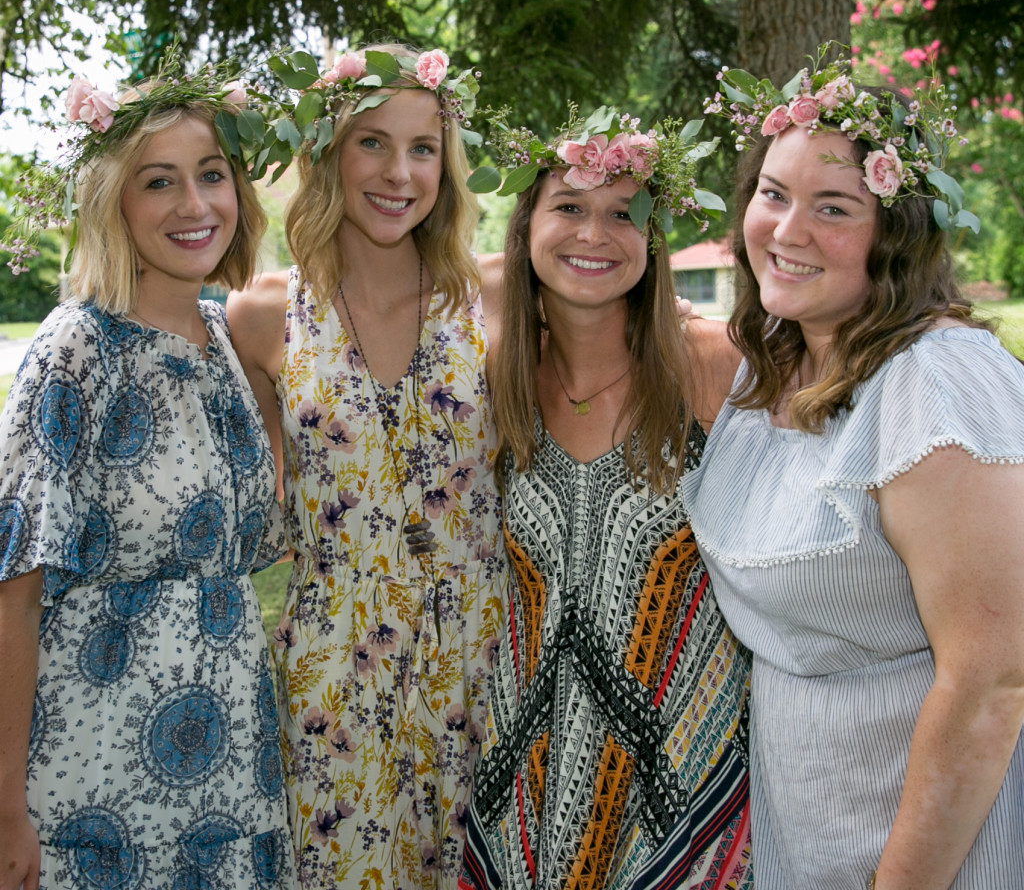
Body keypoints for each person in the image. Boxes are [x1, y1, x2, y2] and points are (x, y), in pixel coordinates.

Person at [685, 54, 1024, 888]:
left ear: (896, 233)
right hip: (807, 824)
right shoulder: (768, 366)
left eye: (833, 207)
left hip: (928, 849)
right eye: (773, 193)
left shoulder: (934, 385)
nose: (788, 231)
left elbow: (992, 680)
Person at [0, 58, 296, 889]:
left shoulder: (223, 341)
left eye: (211, 175)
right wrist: (3, 810)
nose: (194, 204)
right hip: (96, 773)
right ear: (113, 203)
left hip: (234, 770)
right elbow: (13, 583)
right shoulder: (75, 349)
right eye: (159, 182)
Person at [226, 43, 506, 890]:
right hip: (333, 671)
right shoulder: (263, 316)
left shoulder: (496, 300)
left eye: (423, 148)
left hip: (483, 662)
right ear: (328, 152)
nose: (400, 173)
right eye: (372, 142)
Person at [458, 107, 753, 890]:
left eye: (624, 214)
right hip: (524, 771)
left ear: (654, 240)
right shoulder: (494, 380)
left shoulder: (714, 365)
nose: (594, 234)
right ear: (524, 230)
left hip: (684, 770)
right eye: (568, 208)